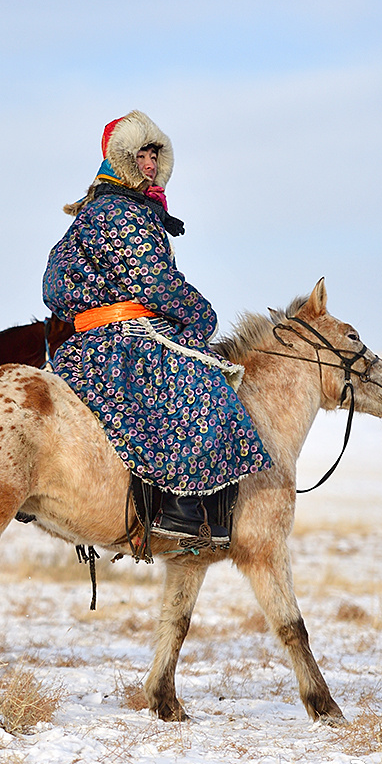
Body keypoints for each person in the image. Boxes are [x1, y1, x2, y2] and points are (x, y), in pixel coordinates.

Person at [42, 112, 271, 543]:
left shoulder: (111, 208)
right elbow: (153, 280)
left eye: (155, 154)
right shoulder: (121, 211)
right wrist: (201, 312)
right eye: (141, 154)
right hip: (121, 336)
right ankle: (182, 507)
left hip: (102, 333)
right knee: (202, 385)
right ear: (121, 158)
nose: (150, 163)